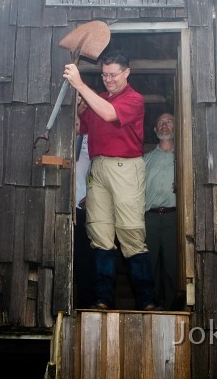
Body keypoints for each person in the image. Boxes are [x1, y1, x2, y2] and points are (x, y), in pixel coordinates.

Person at [63, 50, 158, 311]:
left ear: (126, 73)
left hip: (125, 168)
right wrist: (79, 108)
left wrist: (80, 83)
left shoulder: (134, 99)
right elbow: (81, 128)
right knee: (100, 233)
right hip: (99, 168)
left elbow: (108, 114)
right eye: (104, 75)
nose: (108, 80)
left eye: (113, 75)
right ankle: (103, 299)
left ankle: (146, 300)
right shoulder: (99, 99)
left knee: (131, 233)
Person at [143, 112, 179, 310]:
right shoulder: (145, 160)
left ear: (175, 128)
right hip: (150, 218)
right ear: (155, 130)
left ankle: (174, 308)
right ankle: (152, 306)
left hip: (174, 218)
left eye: (169, 121)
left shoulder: (182, 159)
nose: (165, 125)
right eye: (160, 122)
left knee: (172, 266)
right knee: (150, 265)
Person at [73, 110, 96, 308]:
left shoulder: (90, 141)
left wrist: (92, 195)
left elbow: (99, 168)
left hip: (82, 208)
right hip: (61, 208)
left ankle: (85, 306)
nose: (76, 125)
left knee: (85, 262)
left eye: (78, 122)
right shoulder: (59, 140)